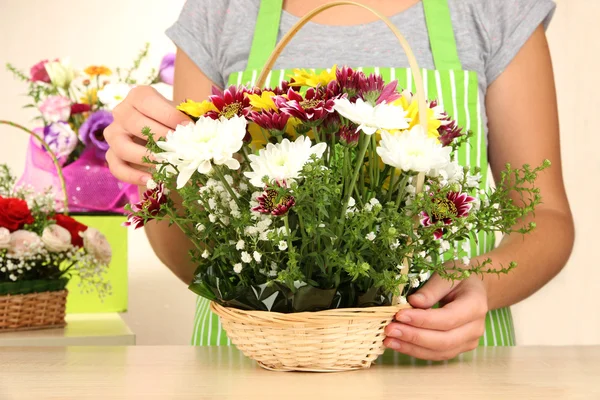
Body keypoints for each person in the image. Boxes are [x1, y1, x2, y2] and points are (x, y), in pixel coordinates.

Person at [105, 0, 574, 361]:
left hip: (445, 369)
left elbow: (545, 216)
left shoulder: (491, 8)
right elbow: (197, 258)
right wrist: (158, 171)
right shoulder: (224, 10)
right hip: (257, 372)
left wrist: (480, 283)